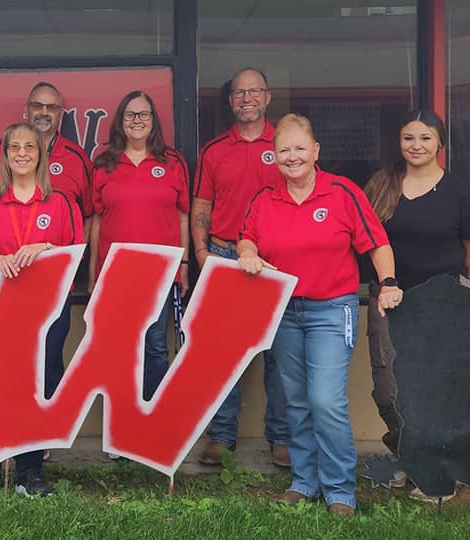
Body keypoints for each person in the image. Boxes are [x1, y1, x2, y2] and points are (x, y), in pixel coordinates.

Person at [237, 113, 402, 516]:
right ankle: (304, 482)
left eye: (298, 148)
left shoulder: (342, 193)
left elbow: (377, 244)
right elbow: (246, 238)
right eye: (283, 150)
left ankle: (340, 490)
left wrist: (389, 282)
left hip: (332, 310)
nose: (291, 157)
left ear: (315, 151)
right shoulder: (265, 198)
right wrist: (248, 254)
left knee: (325, 400)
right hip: (284, 311)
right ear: (274, 156)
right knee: (295, 400)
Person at [363, 110, 470, 499]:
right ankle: (408, 452)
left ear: (440, 144)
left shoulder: (459, 191)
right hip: (388, 298)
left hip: (441, 301)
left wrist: (460, 290)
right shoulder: (382, 185)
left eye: (425, 138)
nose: (415, 145)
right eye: (408, 138)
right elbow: (364, 238)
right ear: (398, 143)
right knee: (389, 390)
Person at [0, 122, 83, 499]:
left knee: (40, 386)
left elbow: (75, 253)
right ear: (5, 155)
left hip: (48, 310)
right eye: (14, 147)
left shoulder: (60, 203)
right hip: (1, 307)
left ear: (40, 154)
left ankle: (31, 470)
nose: (23, 153)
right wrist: (0, 260)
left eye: (30, 146)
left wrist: (45, 246)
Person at [191, 68, 290, 467]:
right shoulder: (214, 150)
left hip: (276, 262)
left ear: (267, 97)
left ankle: (281, 438)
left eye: (254, 91)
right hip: (224, 257)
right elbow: (202, 206)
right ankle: (222, 436)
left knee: (280, 356)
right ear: (230, 101)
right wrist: (200, 252)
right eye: (238, 92)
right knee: (223, 355)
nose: (246, 98)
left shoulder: (286, 144)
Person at [89, 90, 189, 408]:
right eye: (130, 114)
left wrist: (183, 264)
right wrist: (93, 274)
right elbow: (95, 221)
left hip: (159, 271)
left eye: (144, 114)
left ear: (153, 121)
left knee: (155, 345)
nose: (137, 121)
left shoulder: (172, 162)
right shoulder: (104, 164)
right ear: (120, 121)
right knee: (119, 347)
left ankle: (152, 424)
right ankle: (120, 424)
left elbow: (183, 215)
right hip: (115, 272)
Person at [0, 81, 92, 237]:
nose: (44, 112)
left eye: (52, 107)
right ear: (26, 110)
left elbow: (89, 216)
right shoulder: (0, 151)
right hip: (4, 258)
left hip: (55, 257)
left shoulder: (76, 158)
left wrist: (75, 256)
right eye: (37, 105)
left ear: (61, 113)